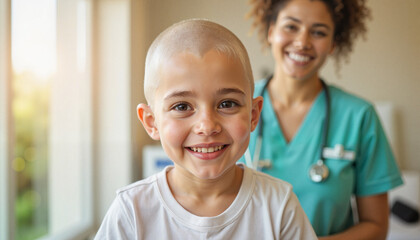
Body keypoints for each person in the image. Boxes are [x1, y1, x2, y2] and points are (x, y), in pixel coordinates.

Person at [94, 19, 317, 239]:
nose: (207, 126)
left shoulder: (279, 206)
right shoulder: (131, 212)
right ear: (152, 122)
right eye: (182, 106)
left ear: (253, 114)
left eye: (227, 104)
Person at [240, 0, 404, 239]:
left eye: (318, 32)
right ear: (271, 32)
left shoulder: (359, 116)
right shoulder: (232, 108)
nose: (303, 42)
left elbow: (376, 226)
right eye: (291, 27)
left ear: (333, 44)